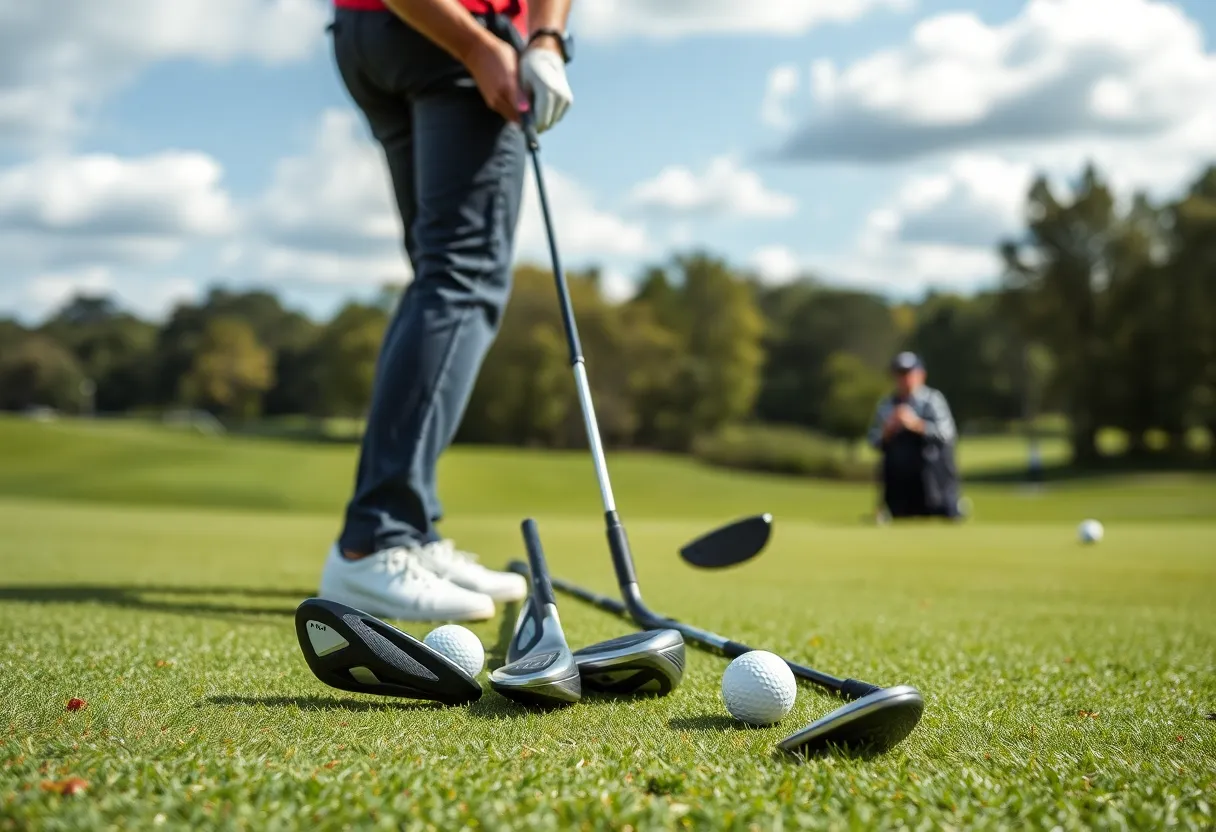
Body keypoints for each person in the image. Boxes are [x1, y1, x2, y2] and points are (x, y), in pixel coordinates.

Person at [317, 0, 576, 621]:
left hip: (375, 34)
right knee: (465, 277)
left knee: (441, 276)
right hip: (451, 35)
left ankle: (411, 532)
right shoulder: (473, 46)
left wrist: (544, 38)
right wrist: (481, 47)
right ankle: (377, 538)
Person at [867, 352, 964, 521]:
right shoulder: (887, 405)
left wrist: (916, 425)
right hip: (900, 484)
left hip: (932, 479)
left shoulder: (933, 400)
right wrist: (888, 431)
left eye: (908, 373)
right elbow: (874, 441)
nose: (904, 379)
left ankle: (949, 505)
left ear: (921, 375)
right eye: (900, 374)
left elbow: (947, 435)